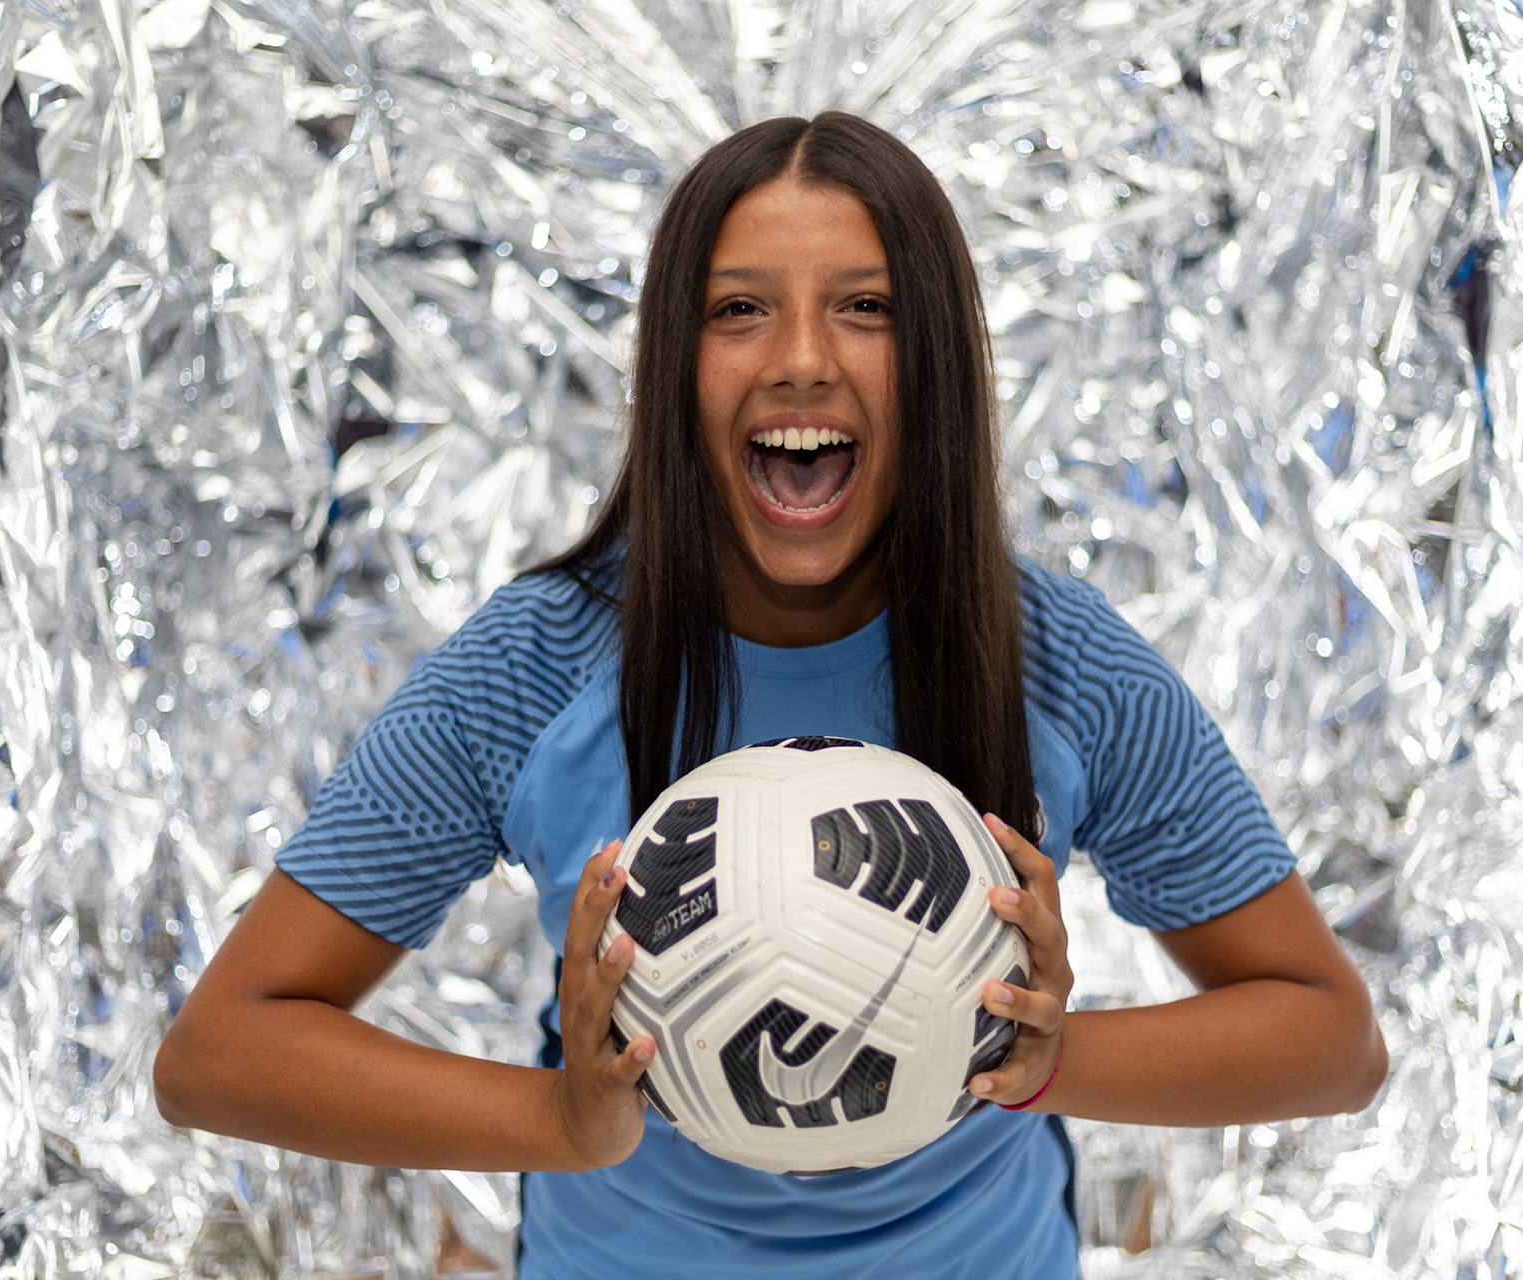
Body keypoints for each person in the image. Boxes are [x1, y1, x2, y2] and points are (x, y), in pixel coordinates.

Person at [153, 111, 1387, 1278]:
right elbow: (221, 1049)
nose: (802, 359)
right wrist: (561, 1115)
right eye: (738, 309)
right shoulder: (533, 667)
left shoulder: (1056, 661)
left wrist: (1039, 1054)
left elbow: (1331, 1037)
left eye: (867, 308)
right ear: (674, 367)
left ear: (940, 367)